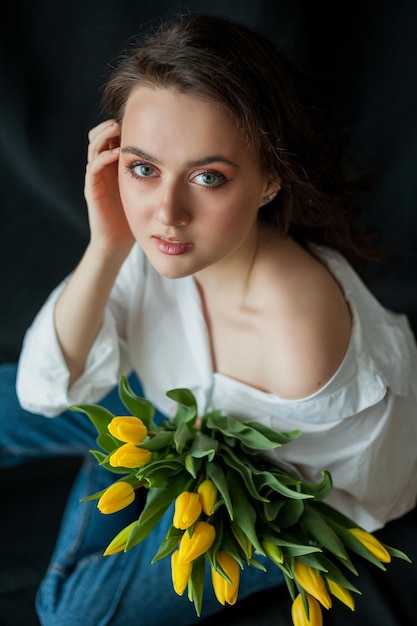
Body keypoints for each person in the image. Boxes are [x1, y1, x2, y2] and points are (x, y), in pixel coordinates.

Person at [2, 12, 416, 626]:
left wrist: (155, 474)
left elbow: (348, 493)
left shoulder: (297, 339)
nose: (166, 212)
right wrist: (106, 247)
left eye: (208, 177)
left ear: (270, 178)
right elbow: (40, 391)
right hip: (175, 415)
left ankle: (115, 459)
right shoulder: (155, 246)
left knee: (67, 616)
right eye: (143, 168)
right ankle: (122, 455)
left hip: (265, 492)